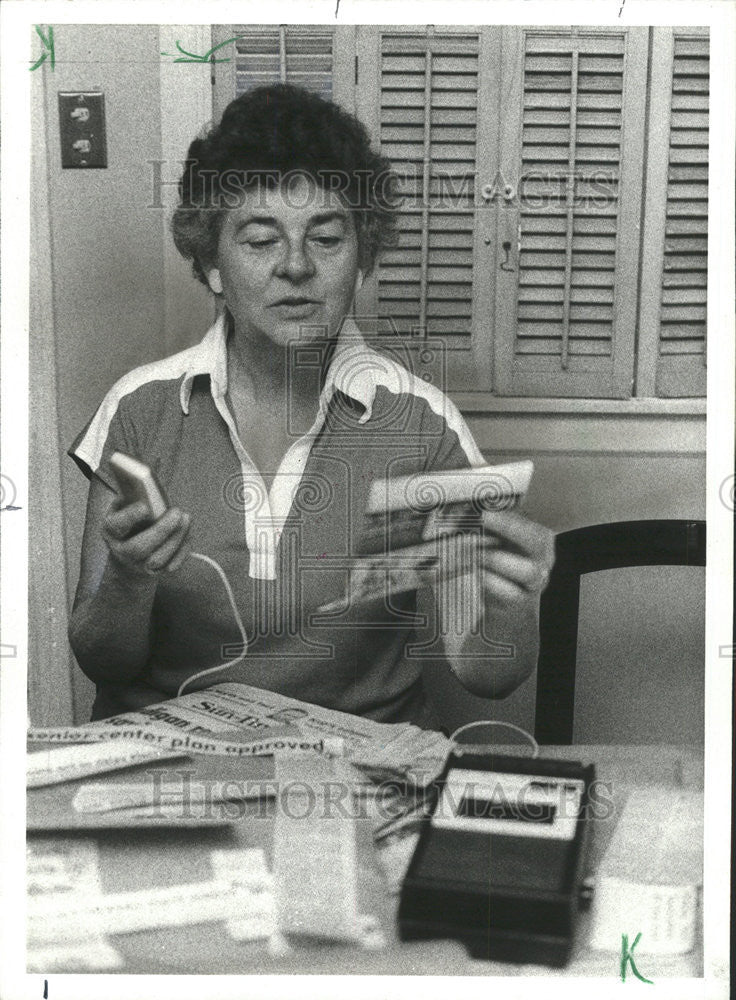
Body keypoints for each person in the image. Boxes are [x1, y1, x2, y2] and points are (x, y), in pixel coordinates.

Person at [68, 84, 554, 726]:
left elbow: (486, 675)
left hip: (358, 775)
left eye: (325, 239)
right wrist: (128, 583)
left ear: (360, 262)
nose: (295, 266)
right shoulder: (140, 408)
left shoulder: (423, 427)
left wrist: (511, 605)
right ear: (213, 264)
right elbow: (103, 663)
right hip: (173, 768)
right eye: (261, 240)